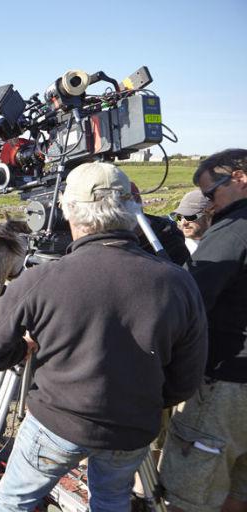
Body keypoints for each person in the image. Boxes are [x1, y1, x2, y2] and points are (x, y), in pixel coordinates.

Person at [0, 161, 208, 512]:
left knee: (11, 503)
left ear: (68, 211)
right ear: (132, 210)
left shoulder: (41, 280)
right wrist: (141, 401)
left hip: (56, 424)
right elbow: (185, 380)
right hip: (132, 429)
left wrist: (21, 350)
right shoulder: (178, 282)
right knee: (112, 501)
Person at [160, 148, 247, 512]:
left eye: (211, 194)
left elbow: (191, 301)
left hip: (225, 383)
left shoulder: (234, 229)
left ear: (240, 178)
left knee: (188, 493)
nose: (209, 205)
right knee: (236, 487)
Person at [170, 189, 213, 255]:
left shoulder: (227, 243)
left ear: (209, 215)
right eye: (178, 217)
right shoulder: (173, 247)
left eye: (190, 217)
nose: (183, 223)